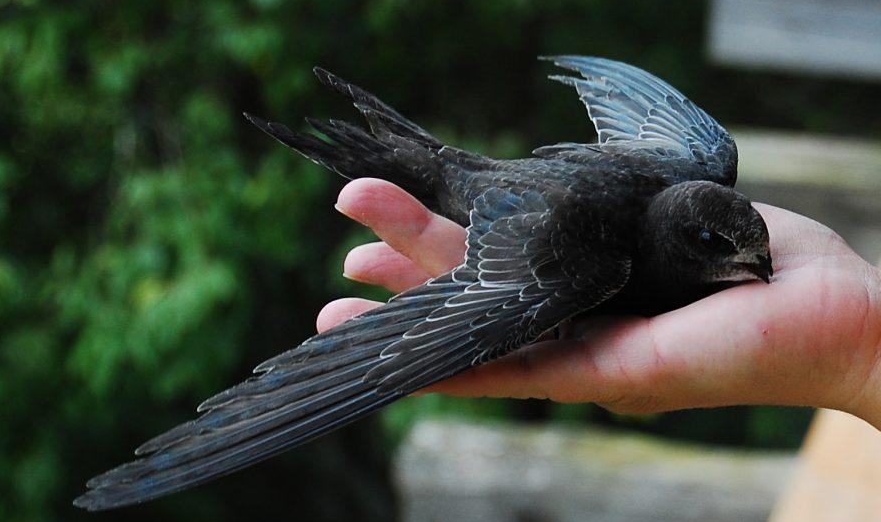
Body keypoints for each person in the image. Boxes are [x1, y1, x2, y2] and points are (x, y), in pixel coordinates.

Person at [316, 177, 881, 429]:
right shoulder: (597, 261)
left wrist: (862, 348)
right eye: (723, 250)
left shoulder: (690, 175)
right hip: (520, 210)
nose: (764, 270)